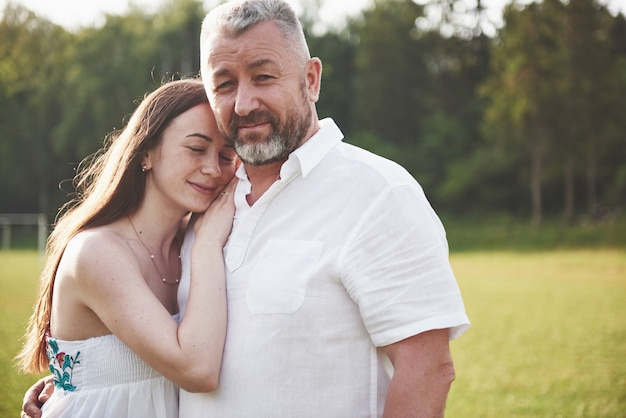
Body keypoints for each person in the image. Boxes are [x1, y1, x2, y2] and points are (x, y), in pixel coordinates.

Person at [24, 0, 470, 416]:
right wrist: (76, 380)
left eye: (263, 76)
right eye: (224, 83)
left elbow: (428, 368)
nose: (244, 103)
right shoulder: (206, 207)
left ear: (311, 80)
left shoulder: (377, 192)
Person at [17, 78, 238, 418]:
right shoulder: (95, 252)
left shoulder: (195, 235)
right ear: (146, 152)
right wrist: (208, 245)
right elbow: (197, 370)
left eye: (226, 156)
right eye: (196, 148)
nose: (213, 169)